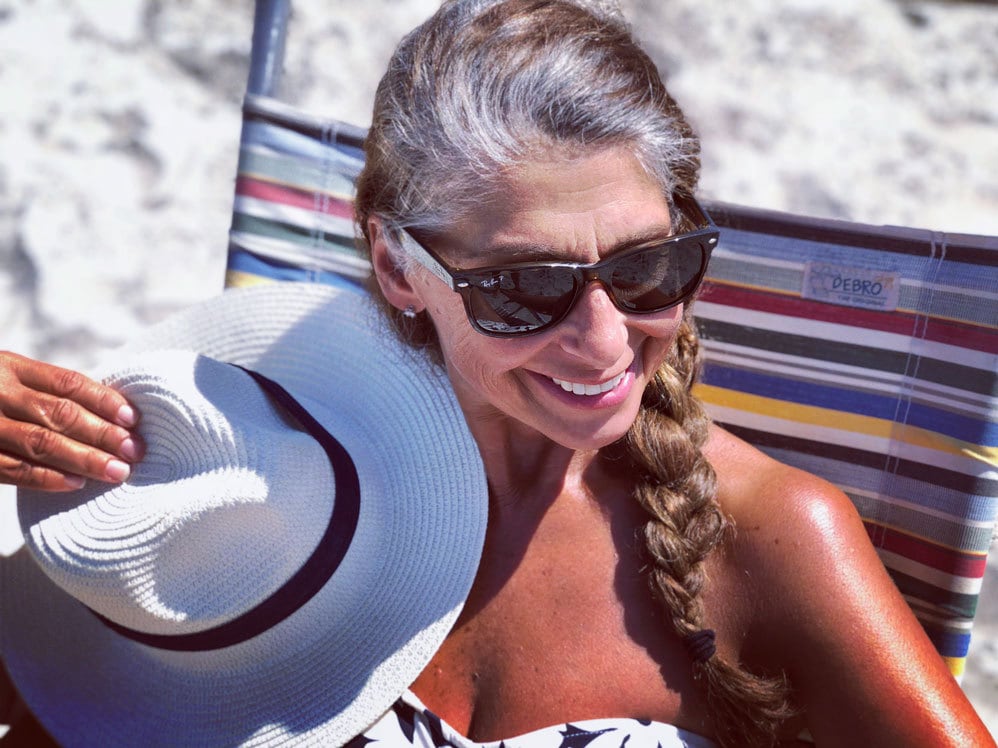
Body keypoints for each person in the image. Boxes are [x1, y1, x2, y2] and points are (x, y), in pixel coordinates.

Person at [0, 0, 993, 745]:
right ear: (396, 266)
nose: (604, 341)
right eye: (525, 289)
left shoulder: (768, 539)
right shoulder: (256, 471)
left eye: (649, 269)